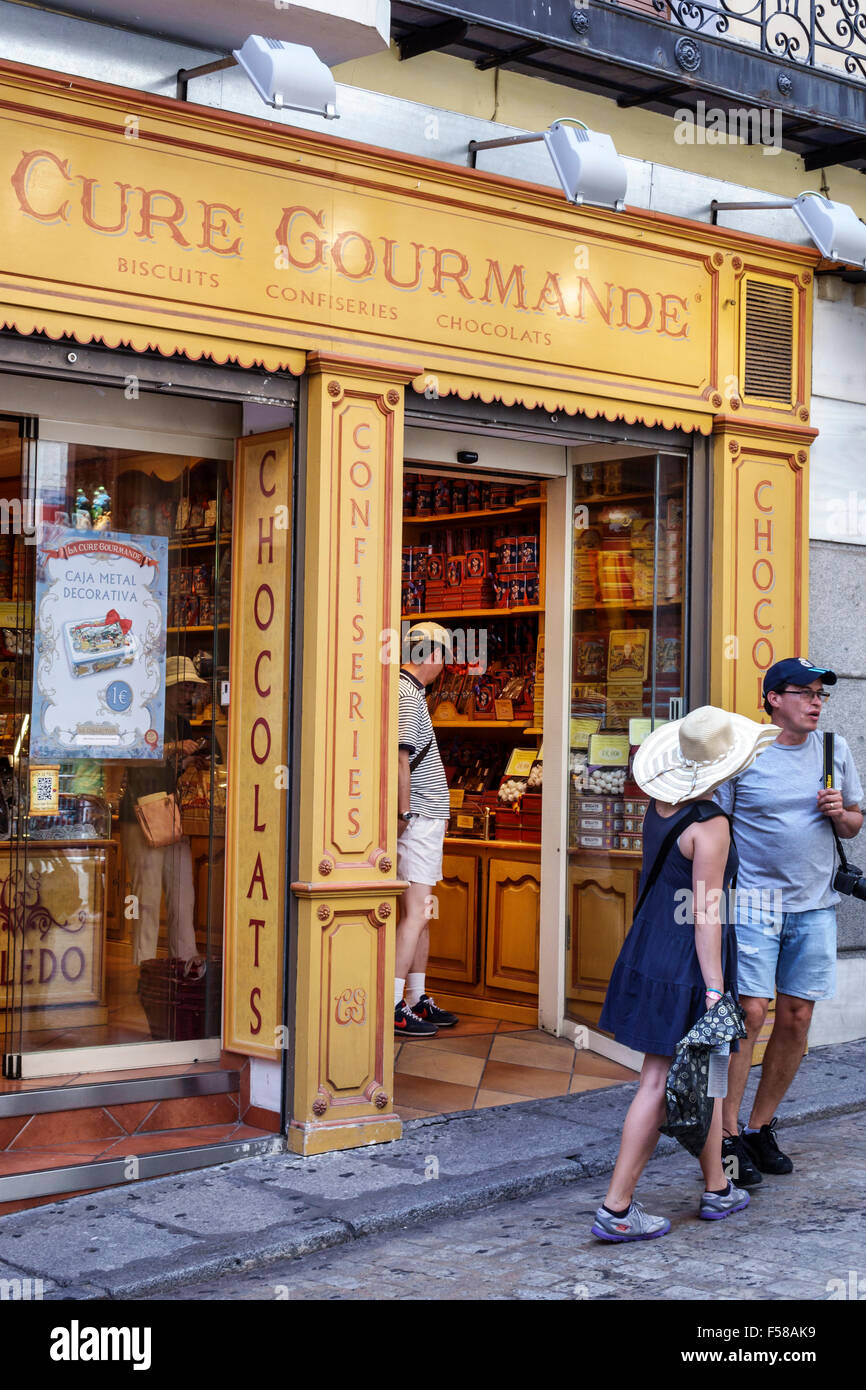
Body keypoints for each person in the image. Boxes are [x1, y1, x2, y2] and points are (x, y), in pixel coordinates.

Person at [591, 706, 777, 1242]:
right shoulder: (711, 823)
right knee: (657, 1080)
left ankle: (718, 1186)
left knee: (707, 1071)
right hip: (690, 962)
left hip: (653, 947)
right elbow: (707, 914)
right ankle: (617, 1207)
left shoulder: (662, 804)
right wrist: (717, 991)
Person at [715, 658, 864, 1185]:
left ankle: (759, 1128)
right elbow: (717, 830)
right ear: (774, 698)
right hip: (754, 903)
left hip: (815, 905)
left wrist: (839, 814)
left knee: (797, 1015)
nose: (816, 702)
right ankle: (726, 1137)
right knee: (751, 1013)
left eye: (821, 693)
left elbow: (852, 825)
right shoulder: (745, 755)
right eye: (804, 692)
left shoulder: (833, 749)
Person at [120, 655, 207, 968]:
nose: (187, 695)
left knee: (184, 895)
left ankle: (184, 963)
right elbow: (135, 756)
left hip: (169, 813)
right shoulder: (144, 716)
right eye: (181, 688)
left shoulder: (181, 722)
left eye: (189, 688)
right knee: (147, 896)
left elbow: (165, 767)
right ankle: (144, 968)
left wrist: (187, 762)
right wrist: (174, 749)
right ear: (165, 689)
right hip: (141, 814)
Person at [395, 622, 459, 1038]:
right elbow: (400, 758)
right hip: (416, 820)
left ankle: (416, 997)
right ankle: (393, 1004)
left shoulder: (410, 693)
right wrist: (403, 813)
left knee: (422, 913)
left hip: (422, 820)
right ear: (431, 655)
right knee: (416, 913)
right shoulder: (405, 695)